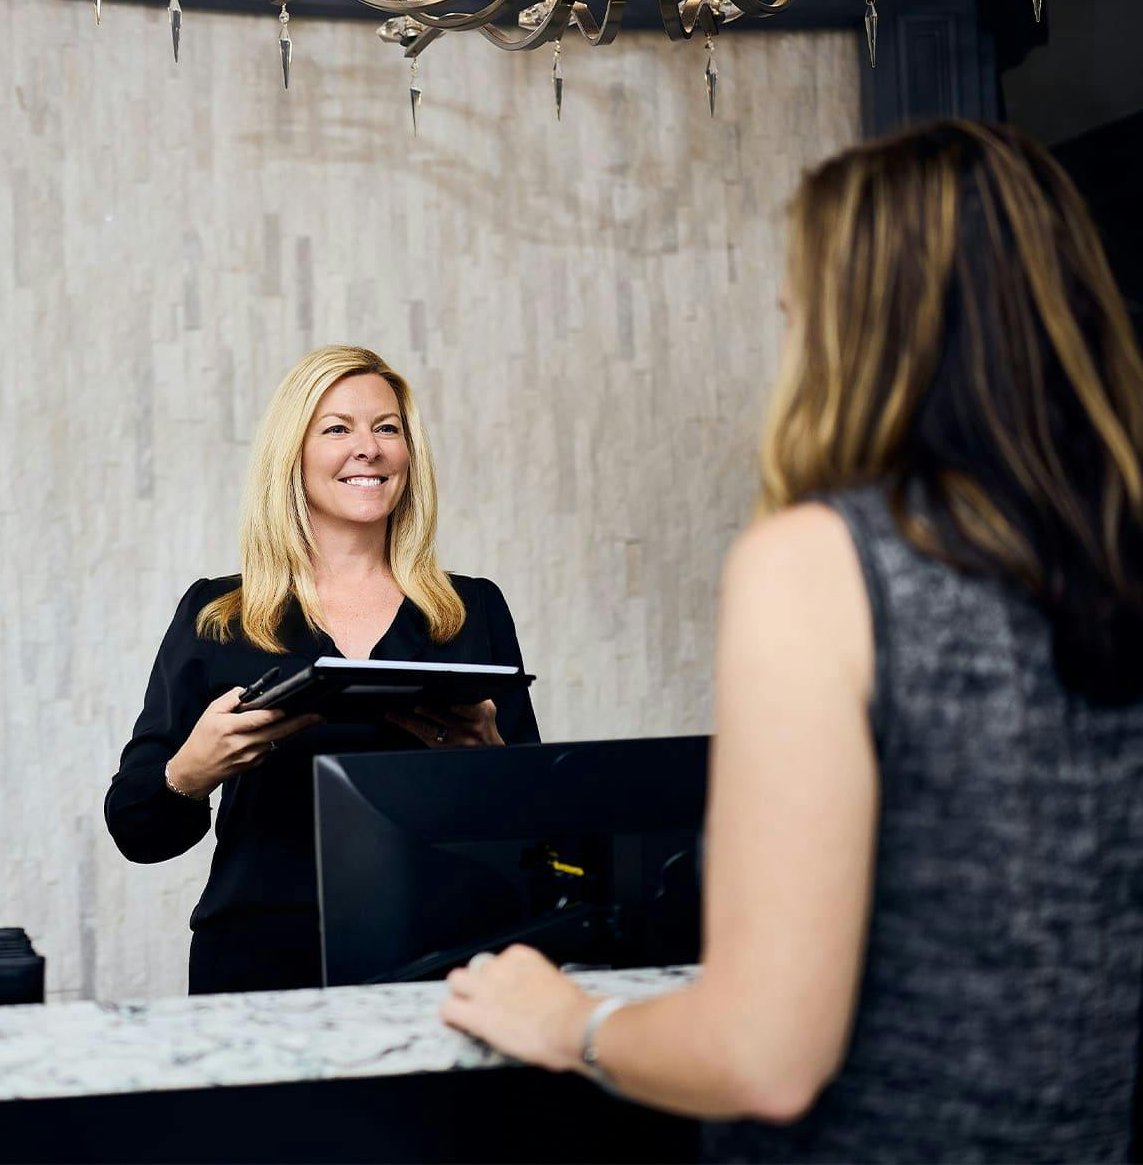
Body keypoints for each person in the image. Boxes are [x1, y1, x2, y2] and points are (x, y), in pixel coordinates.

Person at [439, 121, 1143, 1162]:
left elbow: (763, 1055)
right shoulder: (1116, 552)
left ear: (862, 326)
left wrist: (567, 1022)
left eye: (798, 306)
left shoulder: (822, 561)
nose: (788, 330)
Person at [106, 345, 540, 995]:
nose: (368, 448)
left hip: (448, 959)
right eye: (337, 428)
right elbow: (138, 831)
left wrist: (490, 754)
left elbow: (541, 827)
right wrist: (190, 773)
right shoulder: (219, 613)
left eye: (387, 428)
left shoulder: (470, 607)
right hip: (260, 963)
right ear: (293, 455)